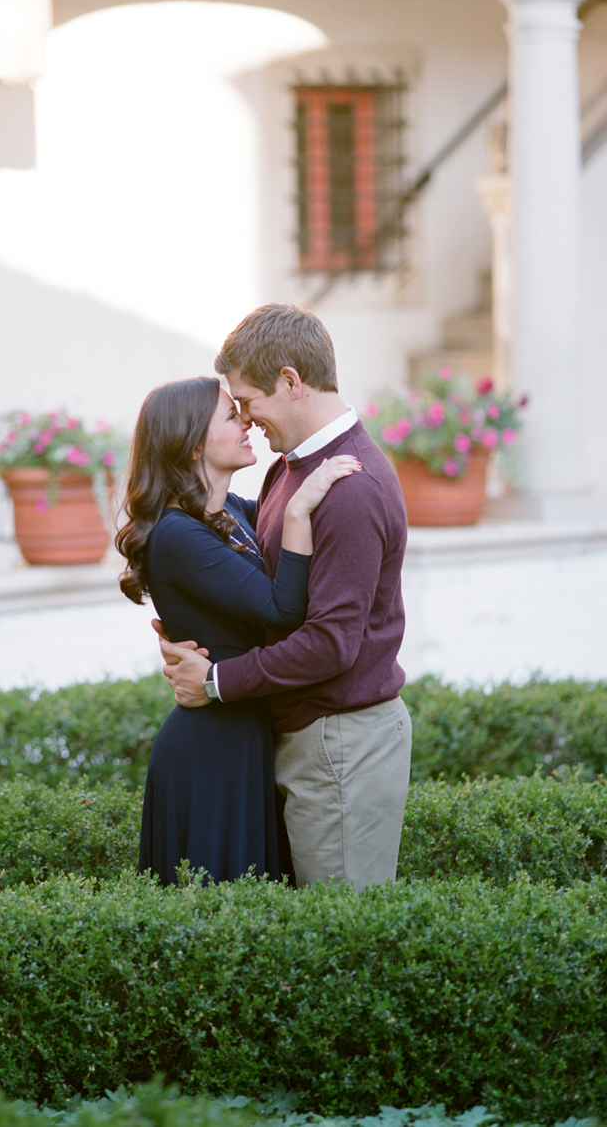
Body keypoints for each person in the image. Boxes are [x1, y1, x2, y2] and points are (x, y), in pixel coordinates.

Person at [158, 304, 412, 890]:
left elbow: (329, 646)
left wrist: (216, 681)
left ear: (291, 382)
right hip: (314, 737)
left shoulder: (350, 489)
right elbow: (245, 558)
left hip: (342, 741)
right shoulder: (293, 471)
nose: (245, 419)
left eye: (247, 401)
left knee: (344, 940)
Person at [116, 374, 360, 886]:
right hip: (211, 749)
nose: (246, 419)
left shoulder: (226, 512)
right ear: (190, 443)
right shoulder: (176, 533)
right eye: (232, 415)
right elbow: (282, 610)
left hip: (243, 734)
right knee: (217, 918)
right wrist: (300, 509)